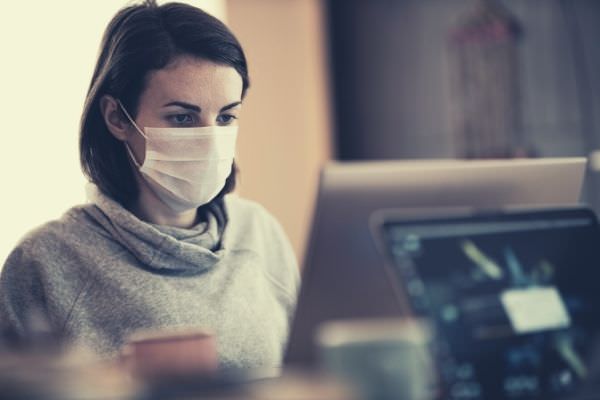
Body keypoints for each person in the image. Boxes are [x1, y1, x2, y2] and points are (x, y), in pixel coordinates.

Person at [0, 0, 299, 370]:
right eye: (182, 117)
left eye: (225, 117)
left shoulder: (261, 235)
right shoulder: (44, 262)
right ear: (116, 118)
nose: (209, 139)